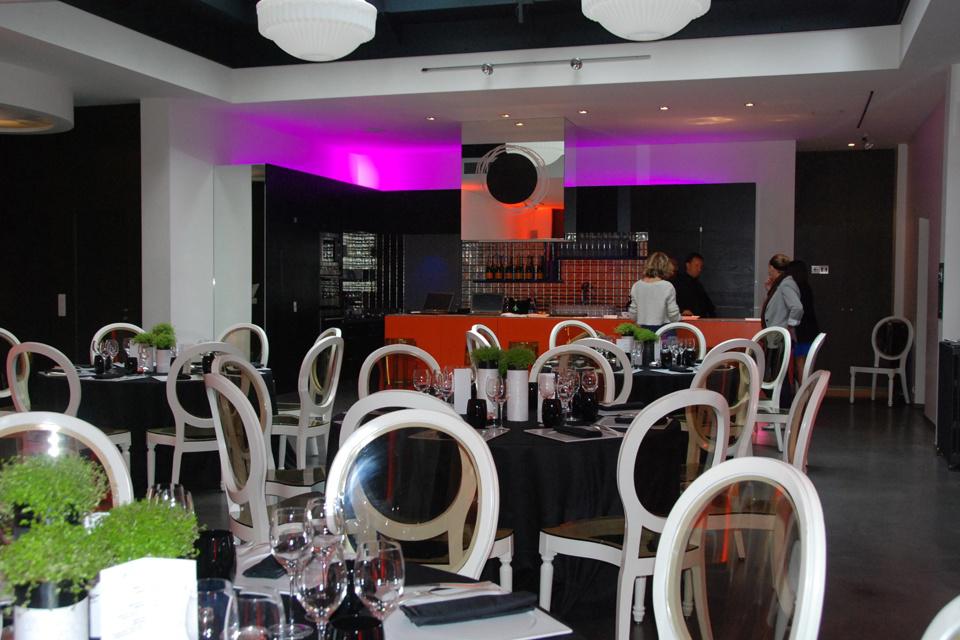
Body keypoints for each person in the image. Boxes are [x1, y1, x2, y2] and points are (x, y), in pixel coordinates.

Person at [629, 251, 681, 328]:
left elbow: (633, 314)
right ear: (666, 267)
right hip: (664, 330)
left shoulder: (636, 286)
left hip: (642, 330)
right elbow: (673, 314)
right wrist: (680, 318)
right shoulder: (667, 286)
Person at [786, 259, 821, 376]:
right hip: (810, 328)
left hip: (801, 330)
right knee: (808, 363)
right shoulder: (806, 286)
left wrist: (790, 324)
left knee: (800, 361)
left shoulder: (794, 288)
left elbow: (797, 308)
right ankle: (808, 386)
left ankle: (805, 387)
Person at [672, 252, 717, 317]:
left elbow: (709, 306)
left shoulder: (698, 285)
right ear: (688, 265)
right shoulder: (677, 282)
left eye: (701, 267)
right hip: (685, 321)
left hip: (700, 320)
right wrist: (681, 310)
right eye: (696, 265)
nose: (699, 269)